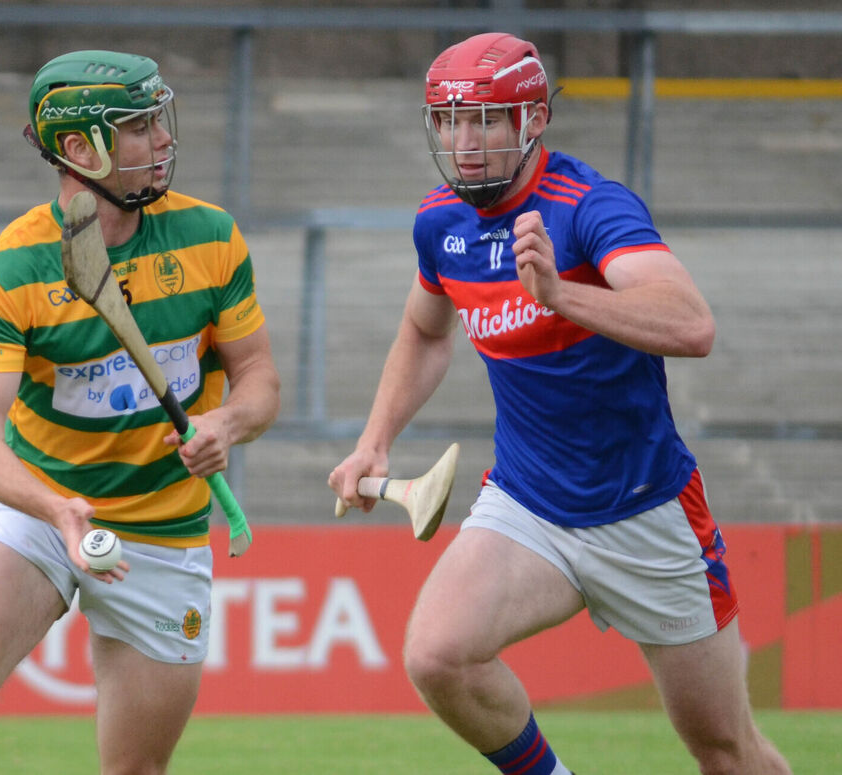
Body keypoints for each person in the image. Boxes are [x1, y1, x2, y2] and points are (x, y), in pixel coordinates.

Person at [329, 32, 790, 775]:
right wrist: (375, 440)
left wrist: (560, 294)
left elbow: (691, 324)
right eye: (448, 121)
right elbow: (423, 330)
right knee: (438, 654)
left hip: (648, 515)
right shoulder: (440, 223)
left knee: (726, 752)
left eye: (483, 119)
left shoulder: (588, 206)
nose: (463, 142)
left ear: (533, 119)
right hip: (530, 505)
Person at [0, 50, 280, 774]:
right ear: (79, 148)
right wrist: (57, 507)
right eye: (138, 126)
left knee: (135, 768)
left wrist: (227, 425)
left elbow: (259, 379)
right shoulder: (10, 268)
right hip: (36, 510)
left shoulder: (211, 237)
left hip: (164, 529)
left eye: (157, 119)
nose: (163, 139)